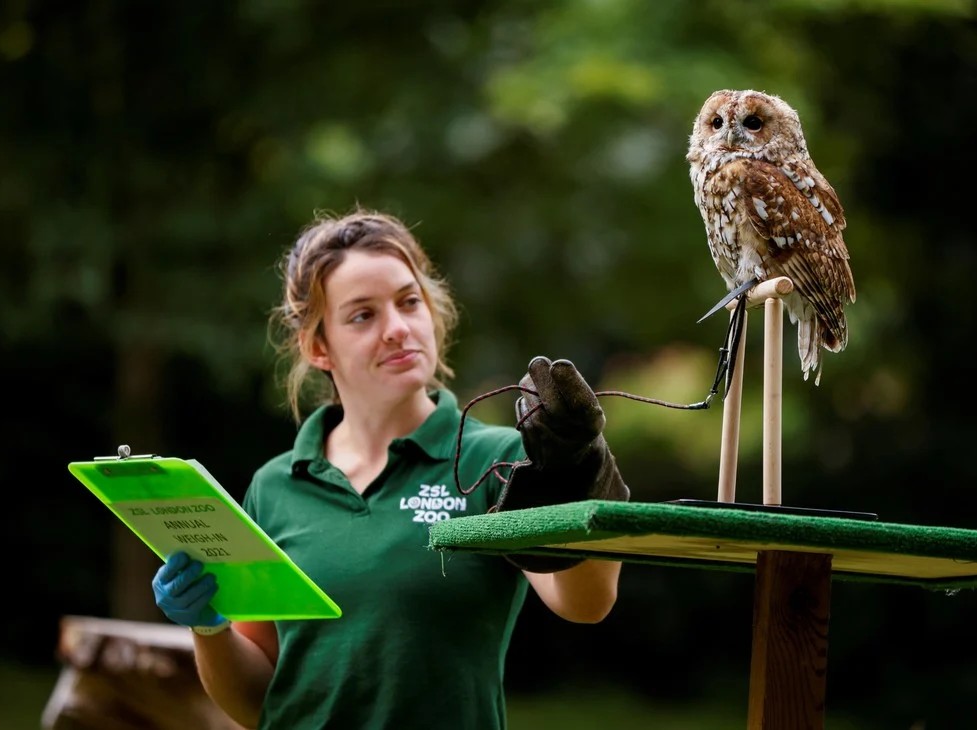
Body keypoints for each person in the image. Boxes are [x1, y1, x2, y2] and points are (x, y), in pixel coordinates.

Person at [150, 208, 629, 729]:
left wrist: (580, 465)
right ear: (317, 347)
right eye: (363, 315)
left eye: (408, 302)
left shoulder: (493, 460)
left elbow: (587, 602)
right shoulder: (276, 486)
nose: (398, 329)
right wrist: (210, 628)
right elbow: (257, 702)